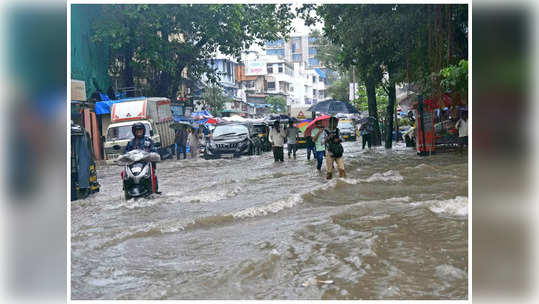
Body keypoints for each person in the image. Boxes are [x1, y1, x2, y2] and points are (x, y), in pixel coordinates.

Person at [125, 122, 160, 193]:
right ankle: (126, 188)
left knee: (152, 173)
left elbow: (153, 150)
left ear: (143, 130)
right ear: (134, 132)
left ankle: (154, 189)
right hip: (134, 164)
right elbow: (127, 152)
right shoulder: (131, 142)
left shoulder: (148, 141)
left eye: (140, 130)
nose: (139, 132)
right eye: (137, 130)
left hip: (146, 164)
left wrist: (152, 154)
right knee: (125, 174)